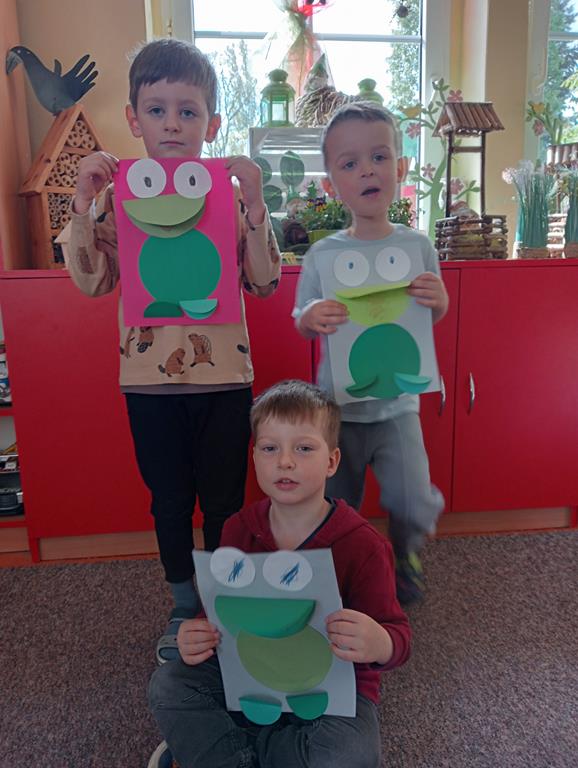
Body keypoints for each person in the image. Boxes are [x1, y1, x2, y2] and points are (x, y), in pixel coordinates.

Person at [64, 38, 281, 662]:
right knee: (169, 500)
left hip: (224, 381)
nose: (172, 124)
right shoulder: (118, 196)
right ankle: (185, 604)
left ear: (212, 124)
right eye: (157, 110)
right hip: (148, 384)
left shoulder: (227, 195)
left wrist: (256, 205)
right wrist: (83, 204)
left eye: (188, 111)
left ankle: (223, 600)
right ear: (134, 119)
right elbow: (93, 282)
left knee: (224, 501)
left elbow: (264, 282)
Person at [148, 379, 411, 768]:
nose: (285, 461)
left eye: (303, 448)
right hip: (250, 675)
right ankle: (251, 749)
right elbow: (219, 614)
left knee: (350, 755)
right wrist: (197, 634)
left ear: (332, 461)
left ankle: (232, 749)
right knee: (169, 684)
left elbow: (398, 637)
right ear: (254, 458)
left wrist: (379, 643)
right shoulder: (238, 529)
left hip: (330, 693)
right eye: (270, 448)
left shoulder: (364, 545)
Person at [293, 102, 448, 605]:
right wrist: (312, 315)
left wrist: (439, 300)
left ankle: (406, 553)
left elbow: (428, 316)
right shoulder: (324, 255)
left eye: (379, 157)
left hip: (398, 407)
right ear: (331, 183)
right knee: (339, 504)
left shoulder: (418, 247)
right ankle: (348, 571)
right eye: (350, 163)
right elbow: (301, 318)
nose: (367, 171)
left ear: (400, 168)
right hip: (337, 412)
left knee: (413, 499)